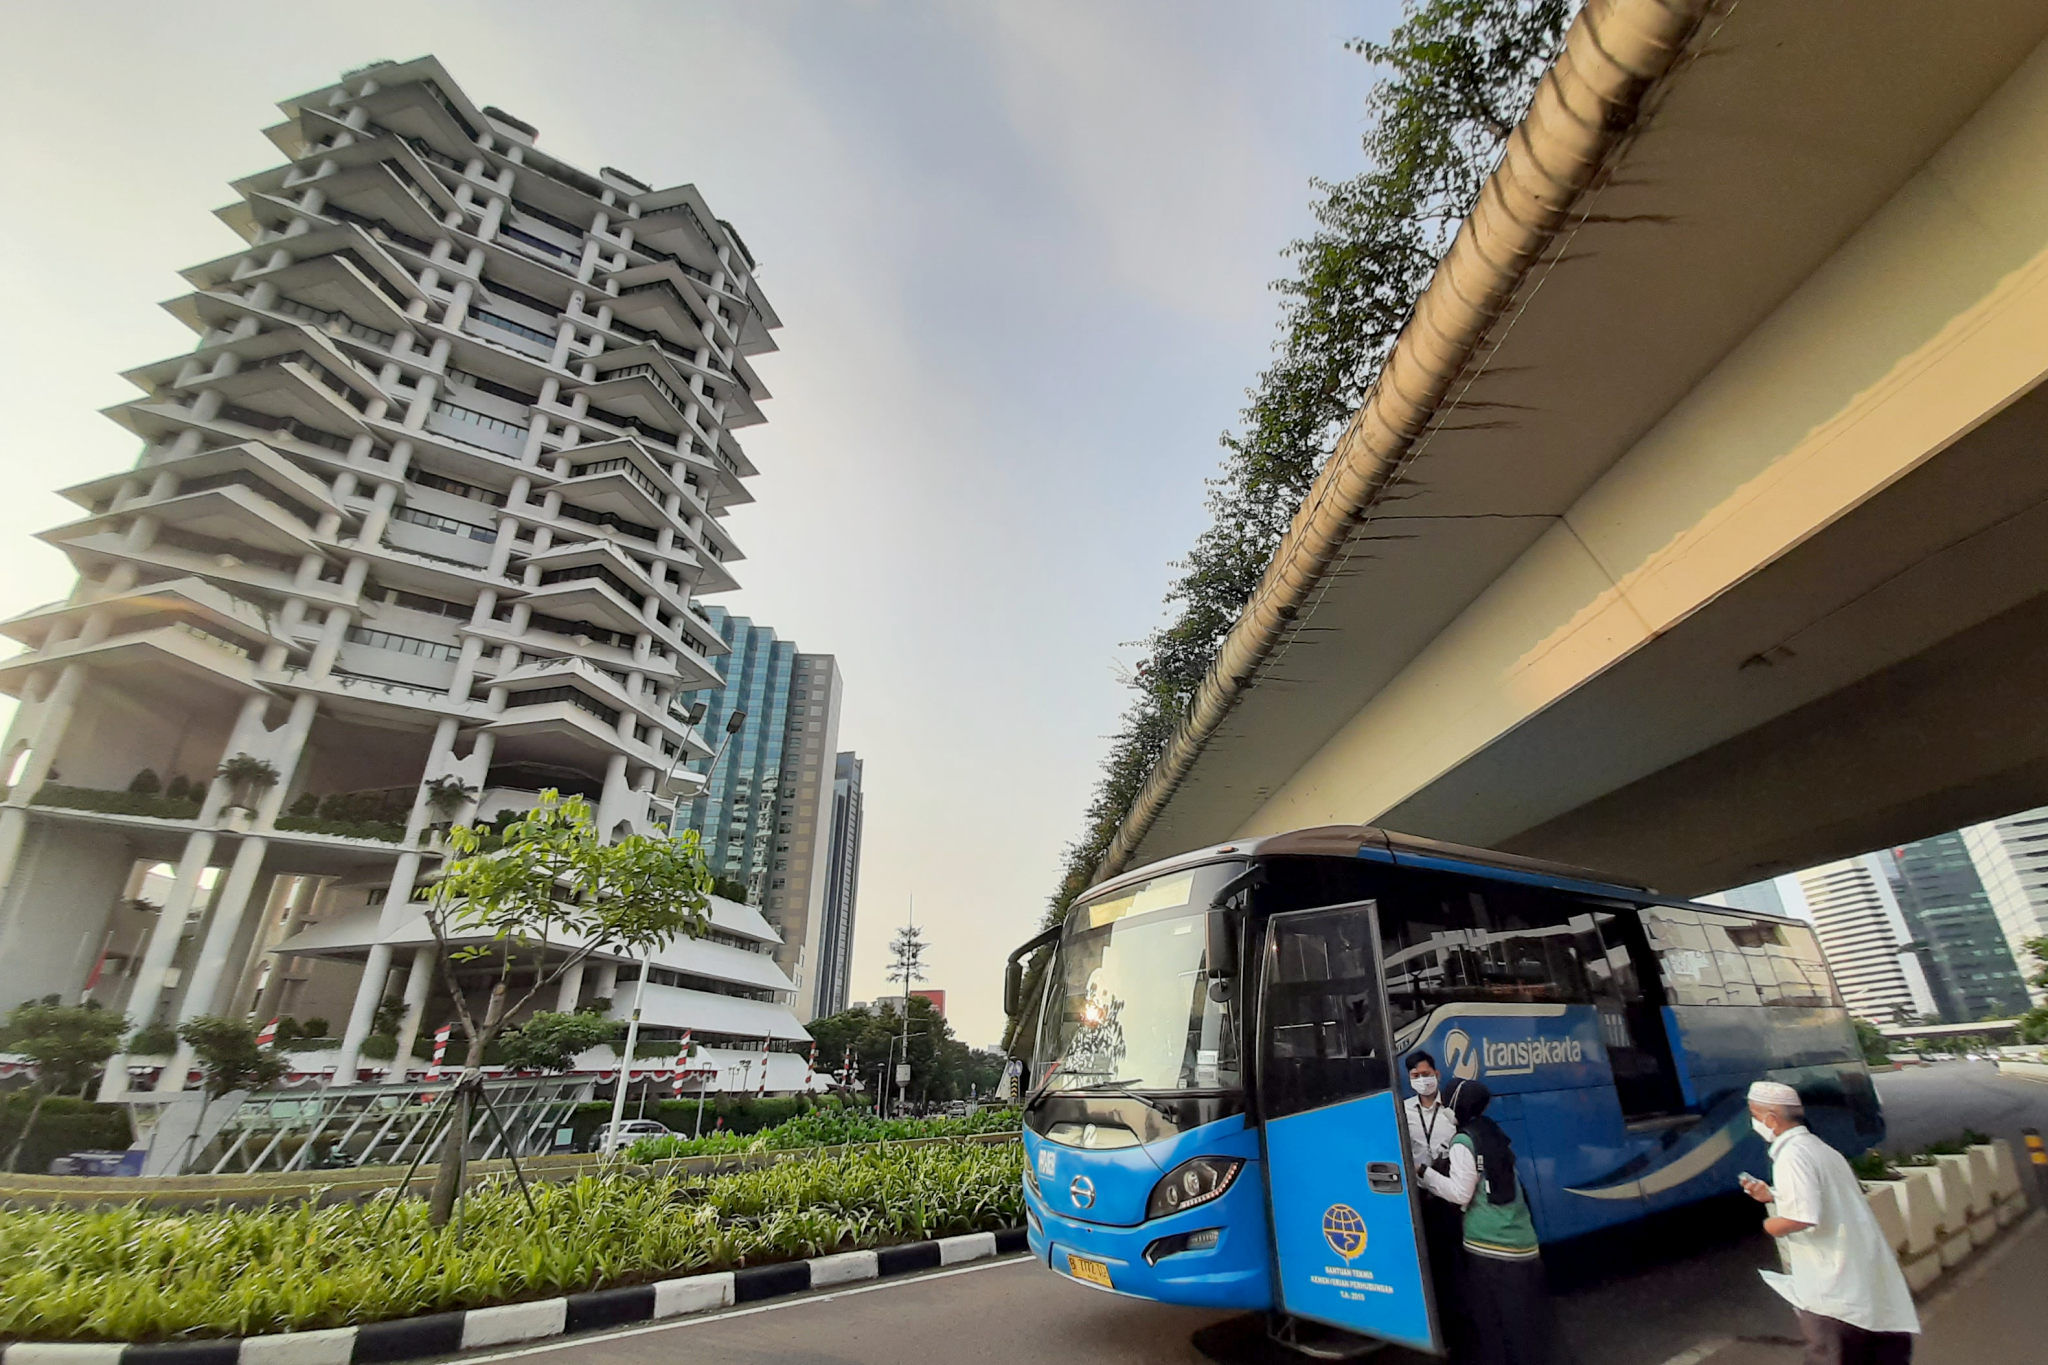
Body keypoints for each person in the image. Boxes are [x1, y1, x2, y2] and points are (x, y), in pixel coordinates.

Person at [1740, 1080, 1917, 1365]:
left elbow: (1802, 1216)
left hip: (1832, 1293)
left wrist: (1768, 1227)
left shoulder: (1792, 1156)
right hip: (1861, 1282)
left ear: (1771, 1118)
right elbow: (1826, 1199)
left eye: (1755, 1114)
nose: (1754, 1122)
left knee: (1831, 1356)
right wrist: (1772, 1196)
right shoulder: (1820, 1149)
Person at [1422, 1080, 1573, 1365]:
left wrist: (1426, 1175)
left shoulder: (1463, 1141)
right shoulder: (1491, 1129)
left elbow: (1460, 1193)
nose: (1442, 1107)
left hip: (1490, 1244)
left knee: (1490, 1318)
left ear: (1457, 1104)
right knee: (1523, 1316)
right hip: (1520, 1239)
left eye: (1445, 1101)